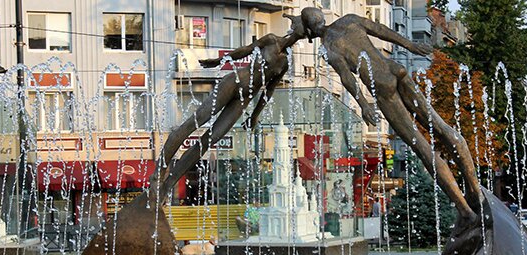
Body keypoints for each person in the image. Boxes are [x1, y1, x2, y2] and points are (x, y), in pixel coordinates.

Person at [299, 7, 482, 224]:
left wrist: (364, 104)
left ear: (309, 29)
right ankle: (475, 191)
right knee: (442, 128)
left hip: (383, 88)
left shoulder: (329, 48)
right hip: (395, 68)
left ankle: (466, 211)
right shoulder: (348, 20)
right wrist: (410, 45)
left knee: (423, 148)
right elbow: (381, 30)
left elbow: (347, 79)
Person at [148, 14, 307, 205]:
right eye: (303, 29)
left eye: (306, 32)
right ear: (295, 26)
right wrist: (219, 61)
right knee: (194, 123)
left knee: (211, 138)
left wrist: (255, 116)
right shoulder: (271, 39)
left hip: (244, 98)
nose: (303, 34)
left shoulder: (285, 63)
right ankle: (158, 174)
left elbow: (269, 90)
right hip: (233, 83)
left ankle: (168, 184)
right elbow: (245, 51)